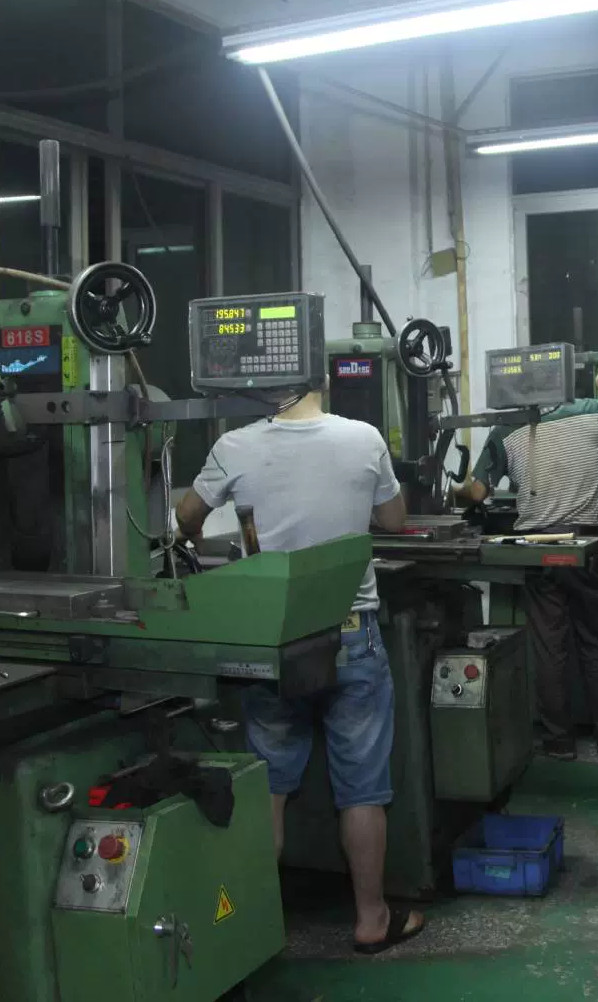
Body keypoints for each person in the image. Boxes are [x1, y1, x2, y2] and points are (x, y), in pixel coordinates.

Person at [175, 385, 426, 956]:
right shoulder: (363, 437)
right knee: (362, 788)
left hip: (275, 636)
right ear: (321, 381)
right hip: (350, 632)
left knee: (269, 783)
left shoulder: (234, 445)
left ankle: (255, 928)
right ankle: (371, 918)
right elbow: (394, 518)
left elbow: (186, 518)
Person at [453, 362, 598, 760]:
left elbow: (477, 493)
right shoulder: (590, 410)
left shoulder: (505, 429)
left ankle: (558, 742)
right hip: (585, 543)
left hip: (537, 548)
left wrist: (455, 491)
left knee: (549, 646)